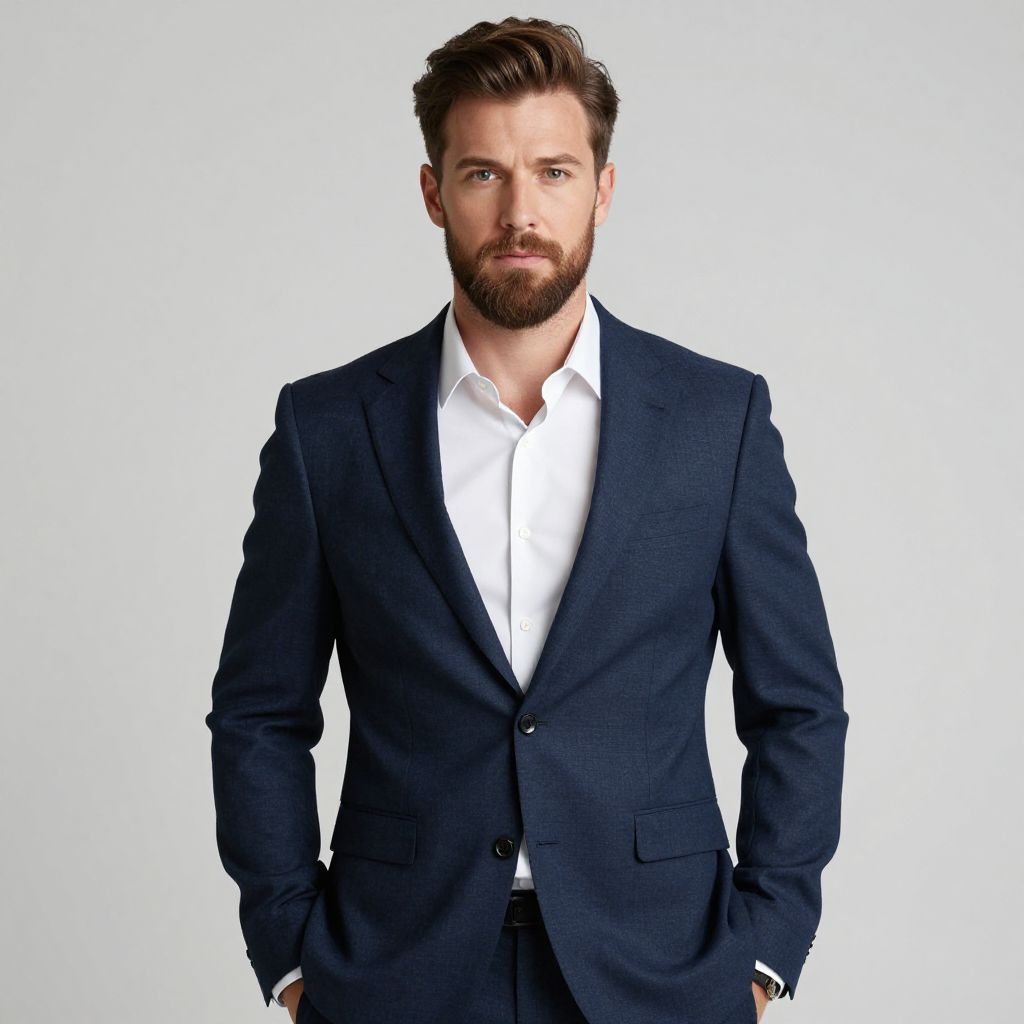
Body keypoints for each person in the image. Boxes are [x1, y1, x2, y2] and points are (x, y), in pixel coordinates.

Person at [206, 17, 849, 1024]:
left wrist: (764, 949)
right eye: (481, 175)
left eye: (552, 172)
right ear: (433, 194)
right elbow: (258, 712)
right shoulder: (327, 430)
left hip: (658, 970)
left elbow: (798, 704)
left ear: (602, 187)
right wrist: (290, 949)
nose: (519, 212)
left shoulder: (715, 421)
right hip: (395, 971)